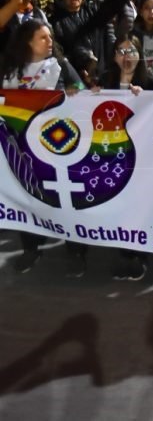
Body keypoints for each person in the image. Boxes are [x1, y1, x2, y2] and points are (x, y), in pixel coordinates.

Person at [2, 20, 85, 276]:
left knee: (65, 200)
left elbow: (82, 91)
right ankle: (31, 247)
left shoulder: (60, 66)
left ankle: (76, 251)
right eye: (43, 37)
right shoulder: (9, 70)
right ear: (27, 42)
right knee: (25, 196)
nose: (50, 42)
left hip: (57, 147)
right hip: (20, 147)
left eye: (50, 37)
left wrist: (74, 90)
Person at [97, 34, 153, 280]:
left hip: (141, 157)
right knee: (118, 203)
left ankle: (140, 256)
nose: (126, 56)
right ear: (114, 56)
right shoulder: (105, 81)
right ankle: (123, 253)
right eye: (121, 51)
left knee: (139, 205)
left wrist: (145, 99)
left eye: (131, 51)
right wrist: (84, 92)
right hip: (112, 155)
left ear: (140, 55)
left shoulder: (151, 83)